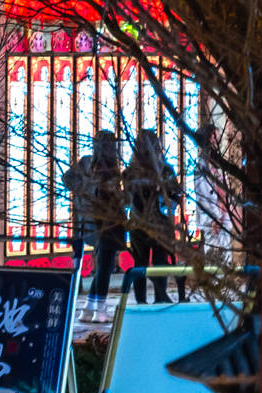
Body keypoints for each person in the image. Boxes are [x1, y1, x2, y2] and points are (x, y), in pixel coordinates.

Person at [65, 130, 128, 313]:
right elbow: (69, 180)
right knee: (105, 265)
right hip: (104, 223)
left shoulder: (91, 163)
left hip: (97, 221)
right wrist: (87, 194)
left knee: (104, 264)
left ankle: (91, 304)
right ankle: (97, 305)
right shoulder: (100, 166)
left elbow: (69, 180)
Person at [124, 129, 187, 303]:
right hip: (160, 224)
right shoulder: (164, 168)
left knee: (140, 264)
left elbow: (127, 198)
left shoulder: (130, 171)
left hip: (137, 223)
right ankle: (160, 297)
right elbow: (176, 193)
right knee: (160, 263)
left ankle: (141, 301)